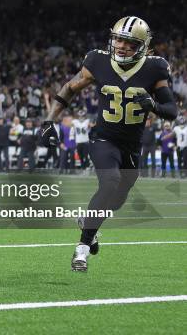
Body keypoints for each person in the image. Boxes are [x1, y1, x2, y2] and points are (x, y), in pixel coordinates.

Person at [39, 16, 177, 272]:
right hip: (103, 138)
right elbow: (70, 88)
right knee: (109, 182)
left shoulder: (155, 68)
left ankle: (89, 220)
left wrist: (154, 106)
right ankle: (82, 249)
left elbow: (171, 110)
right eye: (118, 39)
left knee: (117, 197)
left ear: (143, 46)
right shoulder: (98, 61)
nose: (122, 46)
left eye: (129, 42)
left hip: (132, 145)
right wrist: (49, 121)